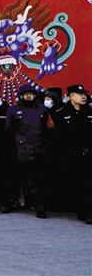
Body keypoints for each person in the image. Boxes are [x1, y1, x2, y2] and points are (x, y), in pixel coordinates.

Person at [6, 85, 49, 218]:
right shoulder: (14, 110)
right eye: (26, 94)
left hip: (38, 148)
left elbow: (46, 128)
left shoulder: (41, 109)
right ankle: (12, 202)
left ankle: (39, 207)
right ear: (21, 96)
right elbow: (9, 130)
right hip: (21, 149)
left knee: (38, 180)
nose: (29, 96)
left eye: (31, 94)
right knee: (19, 178)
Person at [55, 84, 92, 224]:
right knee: (78, 183)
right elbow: (60, 136)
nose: (83, 97)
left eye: (84, 94)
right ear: (71, 97)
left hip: (88, 152)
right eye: (80, 94)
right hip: (72, 154)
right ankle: (82, 211)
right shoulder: (62, 113)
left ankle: (89, 212)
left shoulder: (89, 111)